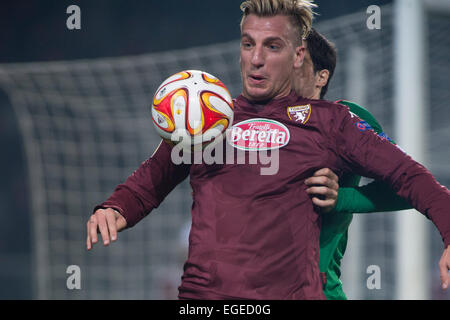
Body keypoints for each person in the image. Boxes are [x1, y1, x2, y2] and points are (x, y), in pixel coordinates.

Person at [86, 0, 450, 300]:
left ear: (297, 55)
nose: (255, 58)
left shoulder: (333, 122)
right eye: (248, 44)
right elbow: (154, 175)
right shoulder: (210, 116)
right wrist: (116, 206)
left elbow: (410, 176)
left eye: (271, 46)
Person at [297, 28, 414, 300]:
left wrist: (340, 199)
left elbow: (407, 184)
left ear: (321, 76)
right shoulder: (255, 127)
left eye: (298, 61)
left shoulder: (348, 122)